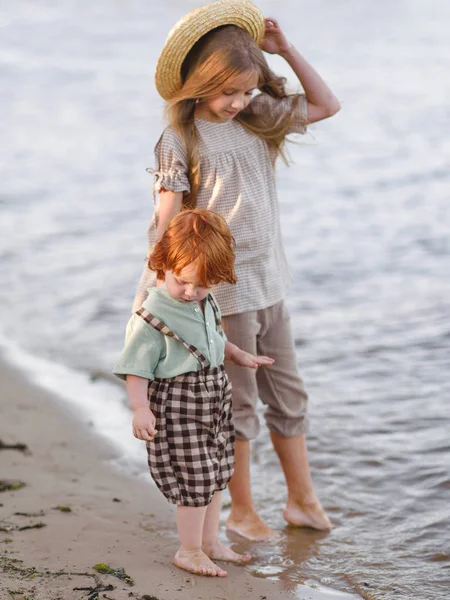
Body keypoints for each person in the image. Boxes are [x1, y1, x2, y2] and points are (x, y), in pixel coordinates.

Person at [133, 0, 340, 540]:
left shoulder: (259, 118)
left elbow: (327, 104)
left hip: (271, 283)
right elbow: (166, 226)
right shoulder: (181, 139)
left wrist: (285, 50)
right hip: (221, 295)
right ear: (200, 83)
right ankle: (243, 512)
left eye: (247, 90)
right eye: (228, 92)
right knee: (238, 405)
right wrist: (155, 294)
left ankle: (303, 501)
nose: (237, 102)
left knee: (289, 396)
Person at [115, 209, 274, 577]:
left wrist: (238, 354)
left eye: (202, 285)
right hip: (178, 406)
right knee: (195, 480)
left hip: (214, 399)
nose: (190, 292)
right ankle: (188, 549)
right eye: (182, 282)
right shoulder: (152, 315)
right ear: (162, 265)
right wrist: (140, 409)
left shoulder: (204, 302)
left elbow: (215, 340)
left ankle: (209, 542)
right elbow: (135, 368)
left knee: (217, 471)